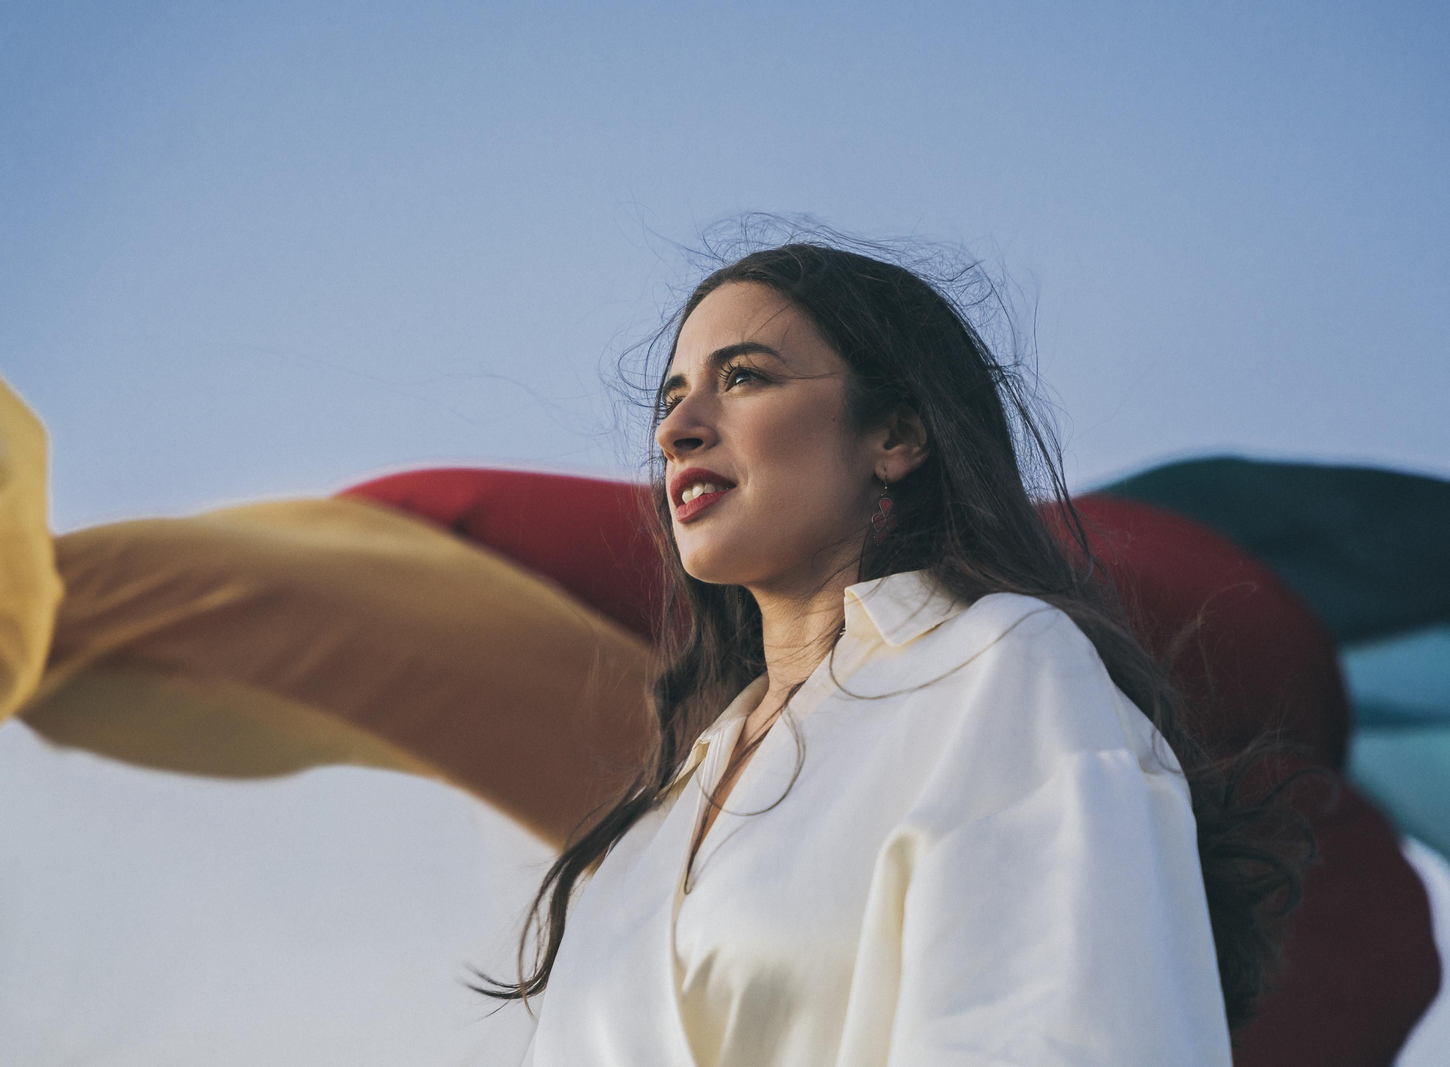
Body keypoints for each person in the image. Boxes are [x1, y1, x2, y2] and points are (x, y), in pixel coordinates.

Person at [490, 236, 1302, 1065]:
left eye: (743, 377)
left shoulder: (1000, 669)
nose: (675, 428)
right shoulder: (652, 823)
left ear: (897, 434)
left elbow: (1059, 1035)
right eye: (671, 396)